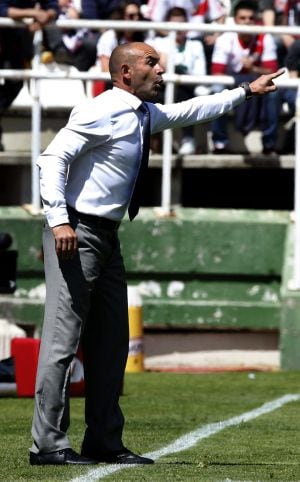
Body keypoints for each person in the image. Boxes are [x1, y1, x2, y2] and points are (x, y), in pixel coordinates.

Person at [30, 41, 283, 466]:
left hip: (106, 236)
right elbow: (52, 159)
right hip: (76, 232)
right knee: (62, 342)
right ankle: (48, 445)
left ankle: (104, 442)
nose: (161, 69)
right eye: (152, 62)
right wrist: (59, 221)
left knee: (111, 344)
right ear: (125, 72)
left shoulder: (143, 114)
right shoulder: (101, 108)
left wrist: (245, 91)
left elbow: (191, 110)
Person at [210, 0, 280, 155]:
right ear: (235, 20)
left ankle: (270, 144)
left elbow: (273, 70)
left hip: (257, 81)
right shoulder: (225, 39)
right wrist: (242, 82)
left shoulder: (264, 38)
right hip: (231, 82)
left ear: (256, 20)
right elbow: (217, 72)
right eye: (242, 18)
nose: (247, 22)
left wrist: (252, 68)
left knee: (274, 93)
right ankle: (219, 143)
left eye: (251, 18)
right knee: (216, 89)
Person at [0, 1, 59, 150]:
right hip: (5, 39)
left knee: (16, 83)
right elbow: (3, 10)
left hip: (15, 45)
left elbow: (53, 7)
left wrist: (45, 16)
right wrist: (33, 13)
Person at [151, 6, 209, 154]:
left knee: (184, 92)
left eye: (181, 24)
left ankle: (188, 139)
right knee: (152, 96)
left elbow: (199, 74)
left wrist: (172, 67)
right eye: (174, 24)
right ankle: (152, 143)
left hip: (186, 88)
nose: (178, 29)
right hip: (161, 87)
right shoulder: (156, 42)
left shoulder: (195, 45)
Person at [43, 0, 98, 71]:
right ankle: (61, 53)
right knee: (52, 26)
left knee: (90, 44)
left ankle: (82, 75)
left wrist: (78, 15)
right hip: (60, 42)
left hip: (81, 41)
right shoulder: (54, 4)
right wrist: (60, 10)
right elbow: (46, 10)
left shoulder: (86, 2)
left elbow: (92, 17)